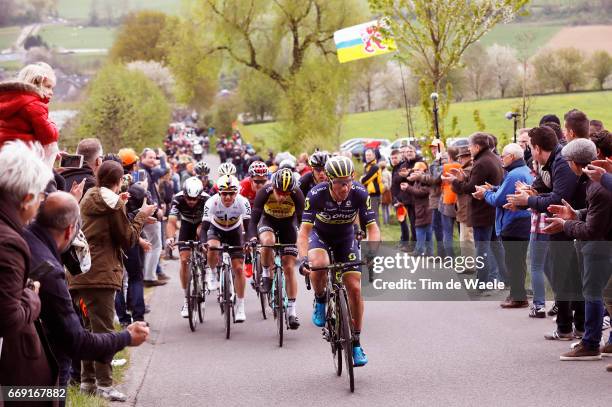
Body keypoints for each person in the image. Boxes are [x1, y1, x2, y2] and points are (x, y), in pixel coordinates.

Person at [24, 191, 149, 390]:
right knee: (50, 384)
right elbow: (76, 341)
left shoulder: (21, 238)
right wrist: (126, 337)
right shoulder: (49, 270)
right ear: (69, 230)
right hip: (27, 374)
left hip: (18, 363)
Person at [67, 160, 156, 401]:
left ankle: (87, 382)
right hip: (102, 274)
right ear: (118, 182)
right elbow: (127, 238)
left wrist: (123, 206)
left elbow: (103, 224)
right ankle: (105, 384)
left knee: (87, 329)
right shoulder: (113, 203)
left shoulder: (89, 197)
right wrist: (140, 215)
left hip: (79, 273)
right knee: (104, 330)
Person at [297, 156, 380, 367]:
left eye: (349, 181)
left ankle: (356, 343)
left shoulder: (359, 192)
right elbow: (304, 231)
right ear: (329, 181)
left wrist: (372, 253)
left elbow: (372, 227)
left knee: (354, 288)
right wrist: (304, 258)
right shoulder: (316, 194)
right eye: (340, 183)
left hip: (346, 238)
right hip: (321, 236)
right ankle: (321, 298)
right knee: (319, 264)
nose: (346, 187)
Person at [507, 126, 584, 341]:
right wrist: (522, 201)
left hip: (571, 223)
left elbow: (557, 198)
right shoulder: (548, 163)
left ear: (538, 148)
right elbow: (540, 189)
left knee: (567, 277)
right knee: (565, 276)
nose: (530, 151)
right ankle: (572, 327)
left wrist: (529, 200)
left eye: (530, 147)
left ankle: (570, 328)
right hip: (562, 224)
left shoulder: (561, 162)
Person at [543, 138, 612, 361]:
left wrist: (565, 225)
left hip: (599, 248)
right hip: (602, 245)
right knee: (606, 295)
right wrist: (575, 215)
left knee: (593, 294)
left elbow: (593, 230)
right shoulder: (596, 183)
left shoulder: (597, 186)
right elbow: (597, 216)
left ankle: (590, 343)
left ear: (574, 163)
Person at [0, 141, 56, 389]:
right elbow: (8, 319)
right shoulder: (9, 243)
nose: (38, 207)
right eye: (40, 198)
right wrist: (31, 296)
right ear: (26, 198)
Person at [473, 143, 533, 307]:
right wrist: (494, 188)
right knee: (518, 261)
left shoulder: (513, 174)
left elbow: (499, 200)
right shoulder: (524, 170)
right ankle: (517, 294)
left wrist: (485, 193)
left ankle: (518, 297)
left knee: (513, 262)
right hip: (523, 220)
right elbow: (504, 192)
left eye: (504, 156)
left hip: (513, 221)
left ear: (512, 157)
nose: (501, 159)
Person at [247, 168, 305, 329]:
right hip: (269, 221)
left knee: (289, 266)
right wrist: (252, 237)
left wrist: (303, 241)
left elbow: (303, 222)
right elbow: (253, 221)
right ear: (273, 186)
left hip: (288, 224)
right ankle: (266, 273)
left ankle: (292, 311)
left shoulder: (297, 194)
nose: (282, 196)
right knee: (268, 240)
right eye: (279, 192)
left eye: (286, 193)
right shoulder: (264, 192)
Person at [446, 133, 504, 284]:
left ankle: (483, 282)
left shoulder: (481, 162)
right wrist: (463, 178)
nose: (469, 150)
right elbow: (476, 182)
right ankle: (503, 278)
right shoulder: (493, 158)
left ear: (477, 147)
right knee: (495, 247)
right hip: (492, 209)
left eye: (470, 147)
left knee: (482, 248)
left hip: (483, 210)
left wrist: (455, 182)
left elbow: (472, 188)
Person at [201, 175, 251, 322]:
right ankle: (213, 273)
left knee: (239, 269)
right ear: (219, 193)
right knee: (212, 247)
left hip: (235, 232)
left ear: (237, 193)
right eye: (224, 193)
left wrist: (249, 241)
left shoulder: (243, 202)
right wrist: (204, 242)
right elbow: (204, 228)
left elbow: (249, 227)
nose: (228, 197)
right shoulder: (211, 202)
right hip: (216, 229)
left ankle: (240, 306)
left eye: (231, 193)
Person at [166, 177, 210, 317]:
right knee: (184, 260)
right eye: (188, 198)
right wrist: (170, 238)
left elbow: (211, 221)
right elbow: (172, 221)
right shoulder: (177, 199)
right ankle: (186, 299)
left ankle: (206, 269)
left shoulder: (206, 199)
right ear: (184, 194)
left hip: (202, 224)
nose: (191, 202)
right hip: (186, 225)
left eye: (194, 199)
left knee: (201, 236)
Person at [0, 62, 59, 168]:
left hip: (6, 156)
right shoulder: (34, 106)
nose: (51, 92)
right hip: (24, 161)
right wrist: (51, 121)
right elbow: (49, 137)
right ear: (36, 84)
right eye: (48, 87)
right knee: (58, 181)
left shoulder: (10, 101)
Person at [139, 148, 169, 285]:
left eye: (154, 157)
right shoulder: (142, 172)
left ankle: (150, 275)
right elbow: (142, 193)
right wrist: (155, 209)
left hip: (149, 210)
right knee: (155, 245)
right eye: (150, 157)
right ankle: (149, 277)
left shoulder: (148, 171)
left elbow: (164, 170)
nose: (153, 160)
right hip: (149, 212)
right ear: (142, 158)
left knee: (152, 245)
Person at [403, 162, 433, 255]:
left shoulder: (426, 179)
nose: (415, 172)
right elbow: (416, 191)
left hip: (425, 208)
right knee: (427, 231)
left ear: (423, 170)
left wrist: (408, 188)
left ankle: (419, 250)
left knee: (420, 229)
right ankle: (429, 251)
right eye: (414, 170)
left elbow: (421, 192)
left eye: (417, 170)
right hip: (421, 208)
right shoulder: (418, 179)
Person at [360, 148, 384, 225]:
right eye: (366, 155)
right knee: (370, 215)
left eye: (370, 155)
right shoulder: (368, 166)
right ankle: (373, 235)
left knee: (374, 215)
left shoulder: (375, 167)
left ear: (374, 155)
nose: (368, 157)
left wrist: (361, 179)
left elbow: (365, 180)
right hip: (369, 194)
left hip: (374, 195)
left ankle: (377, 236)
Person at [379, 159, 393, 225]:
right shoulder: (388, 172)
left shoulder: (383, 173)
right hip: (389, 191)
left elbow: (386, 184)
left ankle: (385, 221)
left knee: (384, 207)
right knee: (387, 207)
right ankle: (388, 221)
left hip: (385, 191)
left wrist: (382, 191)